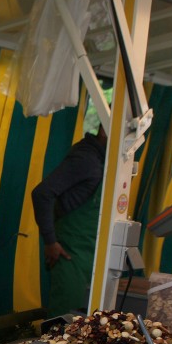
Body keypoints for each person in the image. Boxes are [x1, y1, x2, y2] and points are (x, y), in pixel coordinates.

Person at [31, 126, 108, 317]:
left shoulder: (106, 161)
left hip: (90, 256)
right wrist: (50, 241)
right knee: (64, 322)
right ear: (104, 131)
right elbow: (42, 193)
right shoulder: (86, 159)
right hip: (70, 256)